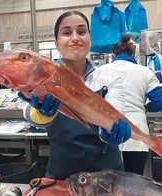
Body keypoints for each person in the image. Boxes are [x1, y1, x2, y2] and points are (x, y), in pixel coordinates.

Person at [19, 11, 131, 180]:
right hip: (63, 177)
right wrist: (41, 113)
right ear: (56, 43)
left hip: (107, 177)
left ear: (90, 39)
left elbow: (115, 116)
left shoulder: (109, 78)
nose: (75, 37)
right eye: (66, 32)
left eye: (81, 31)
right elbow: (29, 114)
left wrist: (112, 133)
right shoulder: (44, 77)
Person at [98, 34, 162, 175]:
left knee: (108, 183)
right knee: (133, 182)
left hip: (107, 131)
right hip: (137, 133)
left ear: (113, 54)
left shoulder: (100, 71)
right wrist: (145, 107)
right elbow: (161, 103)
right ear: (133, 54)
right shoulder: (145, 72)